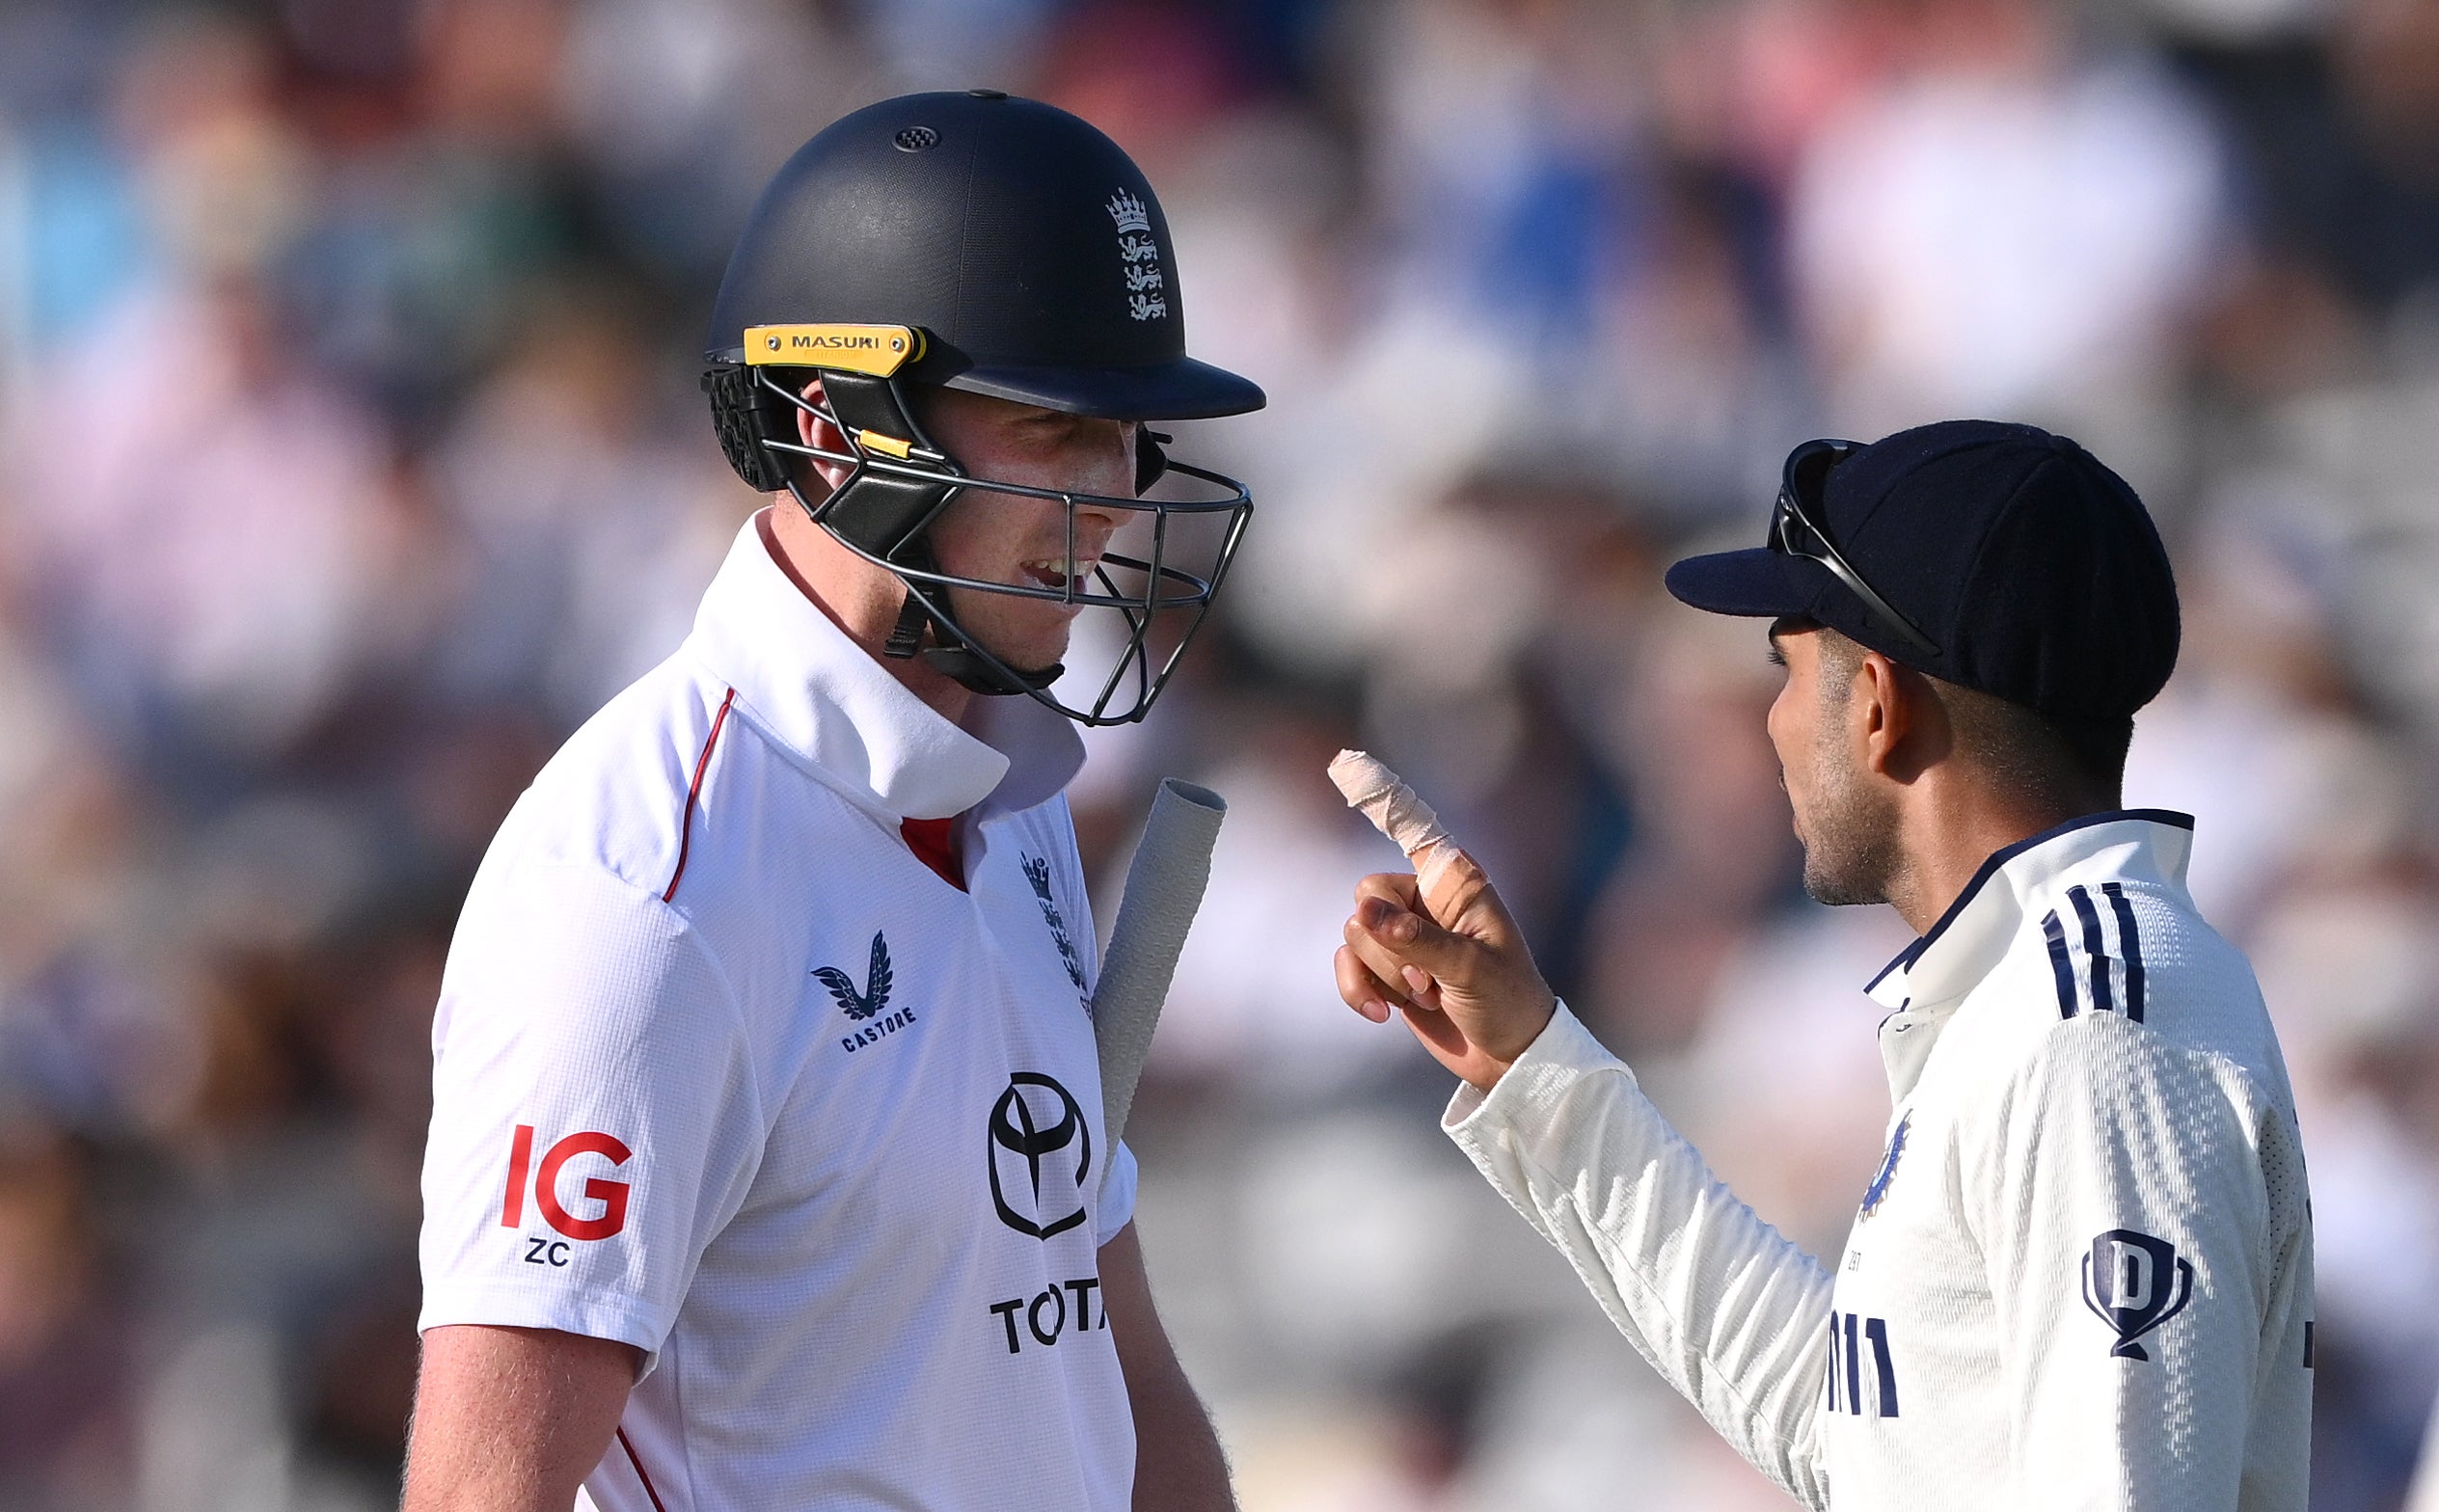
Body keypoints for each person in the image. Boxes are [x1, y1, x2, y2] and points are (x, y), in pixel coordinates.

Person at [404, 92, 1260, 1512]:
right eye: (1057, 429)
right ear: (834, 426)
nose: (1113, 497)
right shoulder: (643, 899)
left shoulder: (1010, 791)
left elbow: (1105, 1361)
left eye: (1129, 437)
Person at [1334, 421, 2314, 1509]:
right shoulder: (2039, 993)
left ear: (1881, 704)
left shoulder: (2093, 1032)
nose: (1775, 722)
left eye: (1787, 670)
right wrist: (1529, 1057)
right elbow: (1867, 1444)